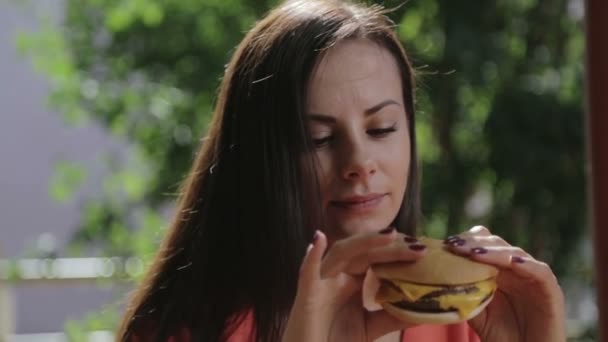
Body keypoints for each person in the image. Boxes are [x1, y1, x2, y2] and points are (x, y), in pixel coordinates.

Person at [117, 0, 566, 341]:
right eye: (319, 139)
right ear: (256, 159)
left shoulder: (452, 322)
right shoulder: (184, 331)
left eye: (382, 128)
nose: (359, 164)